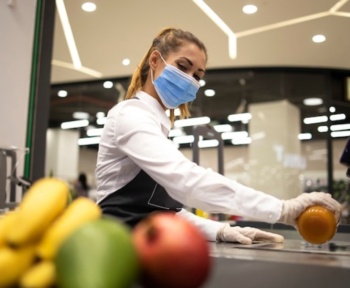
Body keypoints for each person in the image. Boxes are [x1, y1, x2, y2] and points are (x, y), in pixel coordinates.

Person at [95, 27, 342, 244]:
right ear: (155, 60)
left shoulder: (156, 127)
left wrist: (221, 230)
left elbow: (162, 212)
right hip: (111, 247)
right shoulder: (130, 115)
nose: (190, 79)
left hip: (144, 245)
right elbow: (186, 181)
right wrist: (282, 209)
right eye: (183, 66)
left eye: (197, 76)